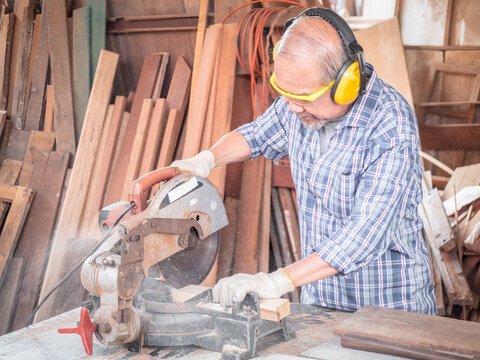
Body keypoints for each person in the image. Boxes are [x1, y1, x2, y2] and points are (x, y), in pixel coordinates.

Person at [171, 8, 436, 315]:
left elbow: (365, 233)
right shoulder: (298, 104)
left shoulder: (390, 123)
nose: (292, 107)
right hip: (321, 302)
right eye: (285, 93)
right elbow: (257, 135)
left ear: (345, 84)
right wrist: (207, 159)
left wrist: (274, 282)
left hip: (388, 308)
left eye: (303, 98)